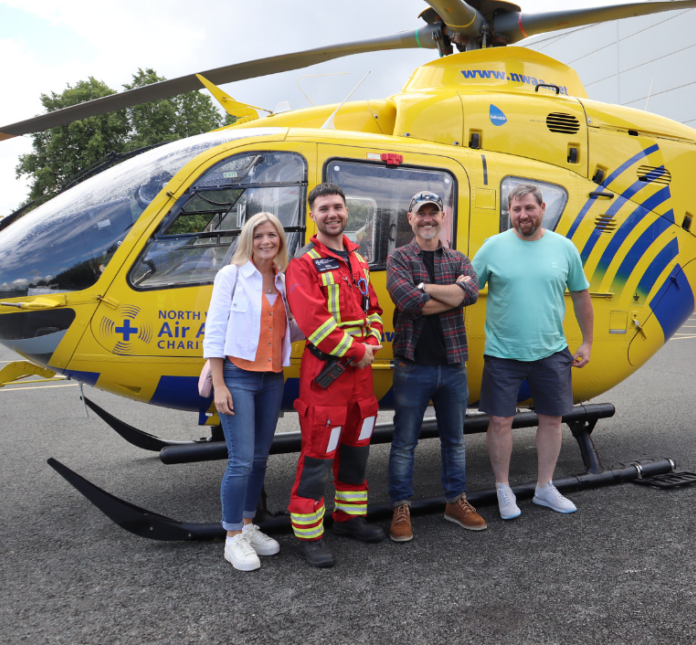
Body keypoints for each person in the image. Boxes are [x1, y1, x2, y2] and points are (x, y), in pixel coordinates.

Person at [471, 183, 594, 519]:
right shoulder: (492, 247)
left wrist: (586, 341)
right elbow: (467, 288)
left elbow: (581, 295)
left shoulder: (564, 248)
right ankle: (503, 489)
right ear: (509, 212)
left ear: (542, 208)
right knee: (499, 422)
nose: (522, 215)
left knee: (552, 421)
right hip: (502, 352)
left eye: (528, 208)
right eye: (516, 209)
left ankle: (544, 488)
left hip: (551, 350)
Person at [286, 183, 385, 568]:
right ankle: (310, 536)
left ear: (347, 212)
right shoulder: (303, 264)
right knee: (316, 458)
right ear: (313, 215)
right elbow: (314, 322)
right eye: (324, 208)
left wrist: (373, 338)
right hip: (327, 377)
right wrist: (359, 351)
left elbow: (373, 308)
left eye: (338, 207)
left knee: (357, 452)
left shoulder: (357, 259)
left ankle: (349, 519)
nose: (333, 213)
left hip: (361, 381)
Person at [386, 191, 485, 542]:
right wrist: (450, 294)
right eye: (420, 214)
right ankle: (401, 507)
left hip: (453, 365)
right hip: (413, 365)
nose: (427, 219)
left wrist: (426, 287)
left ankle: (455, 502)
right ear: (410, 219)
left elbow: (470, 294)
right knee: (404, 442)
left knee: (455, 441)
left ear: (443, 217)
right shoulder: (398, 258)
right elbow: (407, 301)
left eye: (434, 213)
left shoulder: (459, 258)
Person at [204, 211, 294, 571]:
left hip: (272, 378)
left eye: (272, 235)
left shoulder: (284, 280)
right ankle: (231, 538)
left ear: (280, 241)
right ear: (248, 240)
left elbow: (291, 328)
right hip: (238, 376)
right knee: (240, 461)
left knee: (259, 459)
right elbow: (214, 330)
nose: (266, 241)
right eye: (258, 236)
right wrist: (219, 384)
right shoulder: (231, 275)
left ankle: (247, 525)